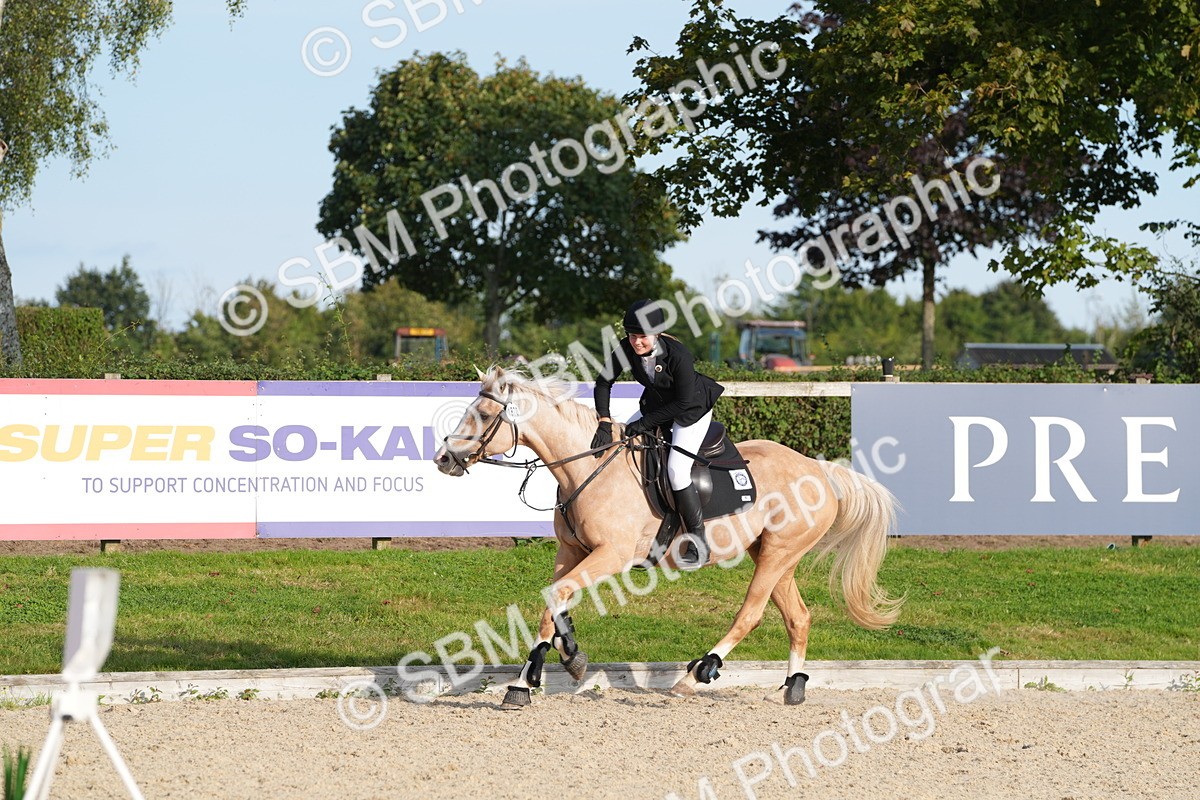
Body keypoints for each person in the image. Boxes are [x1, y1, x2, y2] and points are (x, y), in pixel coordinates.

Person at [591, 299, 725, 569]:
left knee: (676, 470)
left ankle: (699, 543)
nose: (636, 342)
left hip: (691, 411)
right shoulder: (626, 347)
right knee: (621, 447)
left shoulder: (678, 354)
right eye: (632, 336)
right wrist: (605, 421)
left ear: (657, 334)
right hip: (656, 406)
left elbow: (683, 403)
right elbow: (604, 381)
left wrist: (645, 423)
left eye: (642, 337)